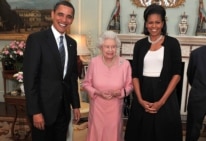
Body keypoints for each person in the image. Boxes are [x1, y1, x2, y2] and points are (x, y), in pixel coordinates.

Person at [124, 4, 183, 141]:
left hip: (165, 96)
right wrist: (139, 99)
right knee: (140, 133)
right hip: (143, 94)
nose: (154, 26)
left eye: (157, 22)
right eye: (150, 22)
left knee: (164, 134)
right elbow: (135, 75)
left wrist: (161, 102)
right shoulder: (139, 45)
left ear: (163, 23)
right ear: (145, 24)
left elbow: (177, 74)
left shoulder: (173, 43)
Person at [23, 1, 80, 141]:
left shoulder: (72, 43)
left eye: (69, 16)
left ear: (72, 20)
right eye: (60, 14)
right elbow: (30, 79)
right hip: (43, 111)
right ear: (52, 15)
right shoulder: (37, 40)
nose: (64, 20)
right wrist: (35, 111)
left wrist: (76, 105)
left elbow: (71, 78)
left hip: (63, 111)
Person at [82, 30, 133, 141]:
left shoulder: (125, 64)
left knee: (113, 135)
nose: (110, 50)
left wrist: (119, 92)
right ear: (101, 47)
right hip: (97, 108)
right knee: (96, 134)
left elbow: (130, 86)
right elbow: (86, 83)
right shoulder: (94, 62)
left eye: (113, 47)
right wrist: (98, 92)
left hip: (115, 108)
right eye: (107, 47)